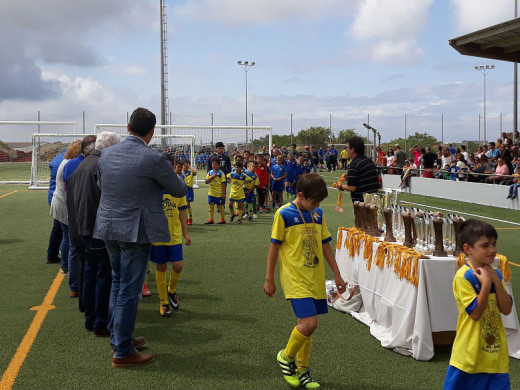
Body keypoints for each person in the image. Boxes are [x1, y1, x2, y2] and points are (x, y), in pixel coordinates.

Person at [93, 107, 187, 368]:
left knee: (117, 281)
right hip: (135, 231)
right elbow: (178, 189)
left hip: (108, 226)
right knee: (129, 290)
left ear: (127, 126)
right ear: (152, 131)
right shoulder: (153, 158)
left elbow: (102, 186)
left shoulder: (106, 154)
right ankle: (122, 351)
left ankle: (119, 337)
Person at [264, 173, 346, 389]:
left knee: (306, 327)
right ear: (300, 195)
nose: (317, 205)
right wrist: (269, 279)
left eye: (319, 202)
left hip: (315, 278)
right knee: (310, 323)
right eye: (314, 201)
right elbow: (274, 247)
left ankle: (302, 371)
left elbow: (326, 244)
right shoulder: (284, 214)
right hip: (295, 279)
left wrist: (337, 273)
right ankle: (285, 356)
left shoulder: (317, 213)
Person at [442, 220, 512, 390]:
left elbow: (507, 309)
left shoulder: (496, 274)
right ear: (468, 249)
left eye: (494, 244)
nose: (493, 250)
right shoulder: (464, 276)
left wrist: (495, 278)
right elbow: (475, 313)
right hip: (470, 356)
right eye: (485, 245)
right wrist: (487, 285)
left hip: (496, 356)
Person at [66, 131, 120, 336]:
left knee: (89, 273)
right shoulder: (99, 165)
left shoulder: (83, 165)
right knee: (103, 276)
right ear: (110, 148)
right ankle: (100, 321)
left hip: (81, 228)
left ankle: (90, 318)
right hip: (96, 228)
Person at [150, 157, 191, 317]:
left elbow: (182, 210)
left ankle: (171, 290)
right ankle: (163, 303)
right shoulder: (153, 186)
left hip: (174, 235)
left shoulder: (177, 186)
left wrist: (185, 233)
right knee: (161, 267)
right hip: (157, 235)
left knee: (178, 265)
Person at [50, 140, 82, 279]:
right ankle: (66, 265)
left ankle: (64, 265)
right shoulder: (70, 164)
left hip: (58, 201)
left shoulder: (64, 162)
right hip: (64, 203)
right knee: (69, 237)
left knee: (64, 234)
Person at [339, 136, 380, 203]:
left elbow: (352, 188)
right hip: (375, 201)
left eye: (347, 148)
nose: (346, 150)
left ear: (352, 149)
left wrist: (340, 186)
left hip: (362, 204)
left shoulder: (354, 164)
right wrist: (350, 176)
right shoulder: (369, 161)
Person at [46, 148, 66, 264]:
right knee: (64, 230)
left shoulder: (56, 159)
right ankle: (64, 258)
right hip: (60, 197)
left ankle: (52, 254)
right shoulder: (66, 161)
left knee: (57, 228)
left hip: (53, 196)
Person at [205, 156, 227, 224]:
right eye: (213, 164)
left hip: (219, 193)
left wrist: (223, 194)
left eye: (216, 164)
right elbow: (206, 181)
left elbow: (223, 184)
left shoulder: (221, 173)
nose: (214, 165)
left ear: (219, 165)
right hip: (211, 193)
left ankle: (222, 219)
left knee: (220, 206)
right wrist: (211, 177)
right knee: (211, 206)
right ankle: (211, 219)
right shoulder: (210, 172)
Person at [182, 160, 197, 225]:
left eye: (186, 166)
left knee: (187, 204)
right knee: (182, 205)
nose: (185, 167)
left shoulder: (190, 172)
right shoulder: (181, 173)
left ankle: (190, 218)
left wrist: (189, 166)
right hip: (182, 190)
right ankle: (184, 218)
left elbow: (195, 172)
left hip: (189, 190)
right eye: (184, 165)